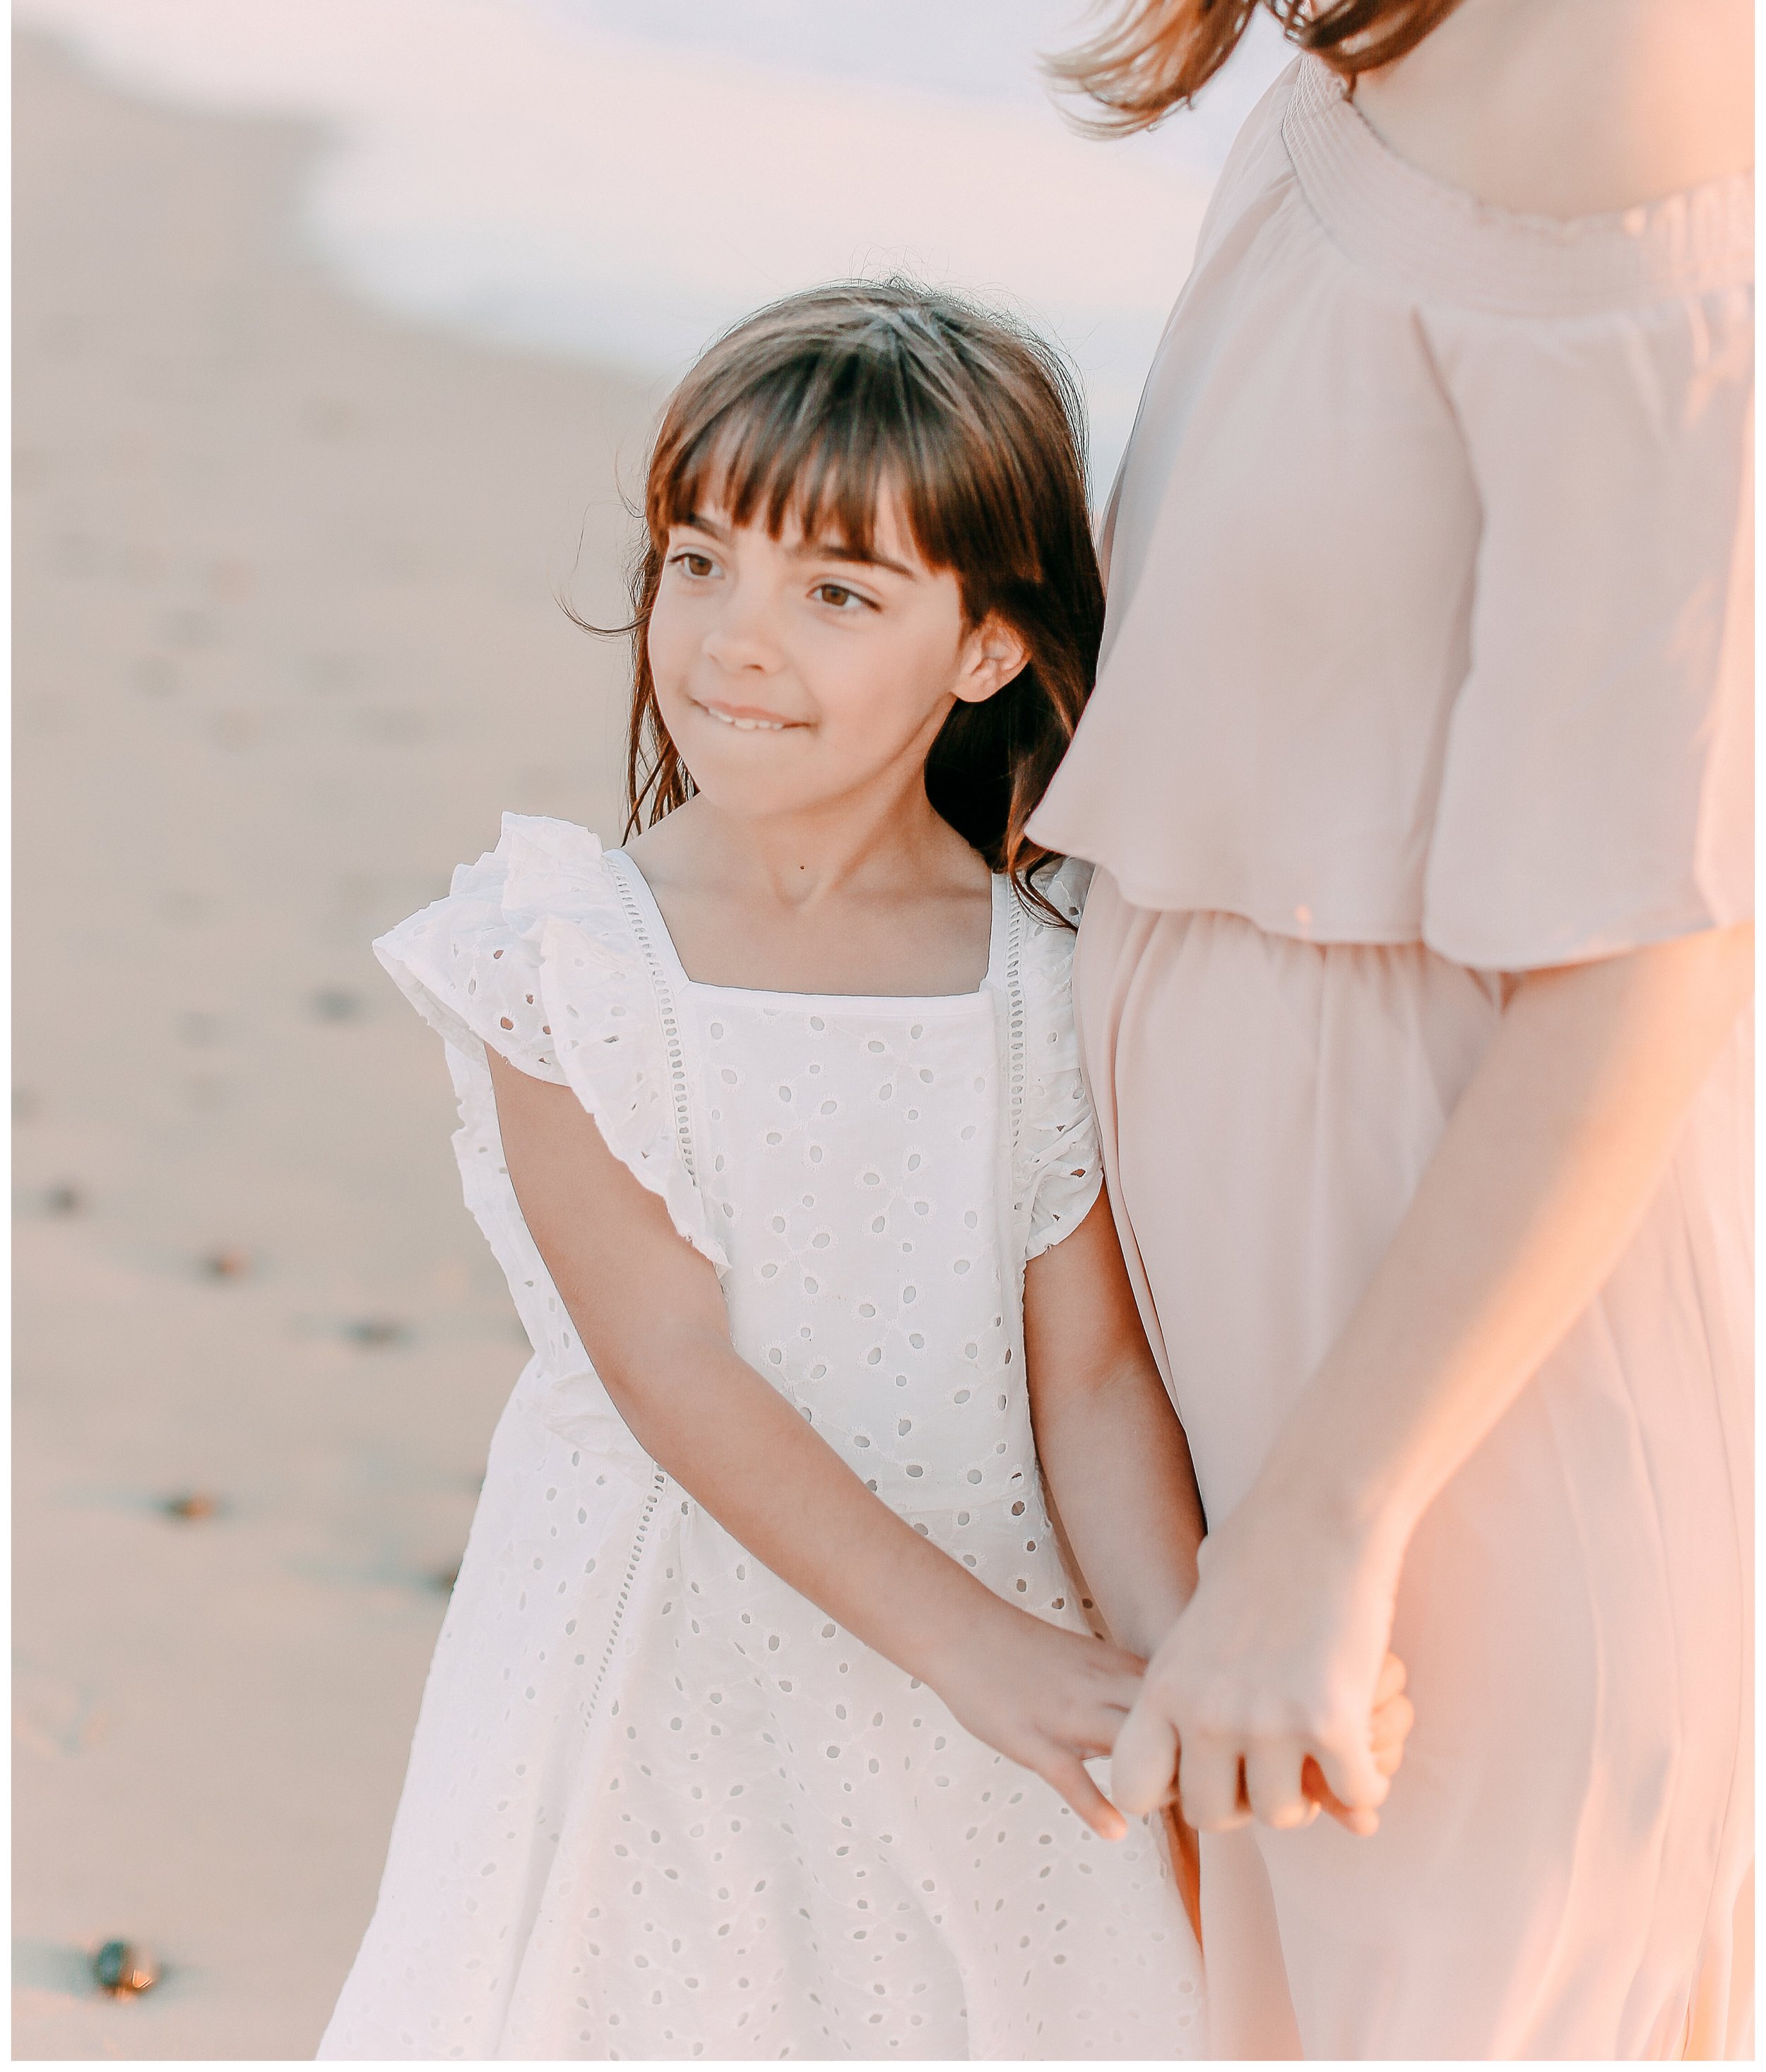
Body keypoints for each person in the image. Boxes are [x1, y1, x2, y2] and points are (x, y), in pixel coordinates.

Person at [317, 281, 1410, 2061]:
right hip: (665, 1640)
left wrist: (1178, 1668)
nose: (736, 639)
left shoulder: (1044, 980)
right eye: (698, 560)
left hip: (1002, 1639)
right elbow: (668, 1366)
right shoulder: (567, 956)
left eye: (835, 591)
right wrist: (977, 1654)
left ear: (983, 644)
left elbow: (1092, 1387)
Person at [1031, 0, 1753, 2061]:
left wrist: (1333, 1519)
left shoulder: (1649, 40)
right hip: (1262, 1334)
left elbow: (1654, 931)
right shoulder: (1399, 33)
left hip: (1455, 1405)